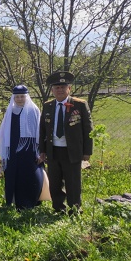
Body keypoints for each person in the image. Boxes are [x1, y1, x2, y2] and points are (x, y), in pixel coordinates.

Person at [38, 72, 93, 212]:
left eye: (63, 87)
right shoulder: (48, 106)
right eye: (57, 88)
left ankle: (75, 208)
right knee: (55, 182)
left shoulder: (79, 105)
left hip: (72, 150)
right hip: (53, 150)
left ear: (69, 88)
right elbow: (42, 130)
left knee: (73, 181)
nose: (60, 90)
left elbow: (88, 129)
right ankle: (58, 207)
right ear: (52, 90)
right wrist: (42, 150)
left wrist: (87, 152)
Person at [0, 85, 45, 209]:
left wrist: (40, 151)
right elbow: (4, 132)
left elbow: (39, 131)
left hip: (30, 149)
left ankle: (32, 201)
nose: (19, 99)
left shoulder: (33, 110)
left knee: (31, 175)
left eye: (22, 96)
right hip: (13, 149)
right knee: (14, 175)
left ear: (26, 97)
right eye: (17, 97)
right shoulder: (10, 111)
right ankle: (15, 201)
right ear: (13, 98)